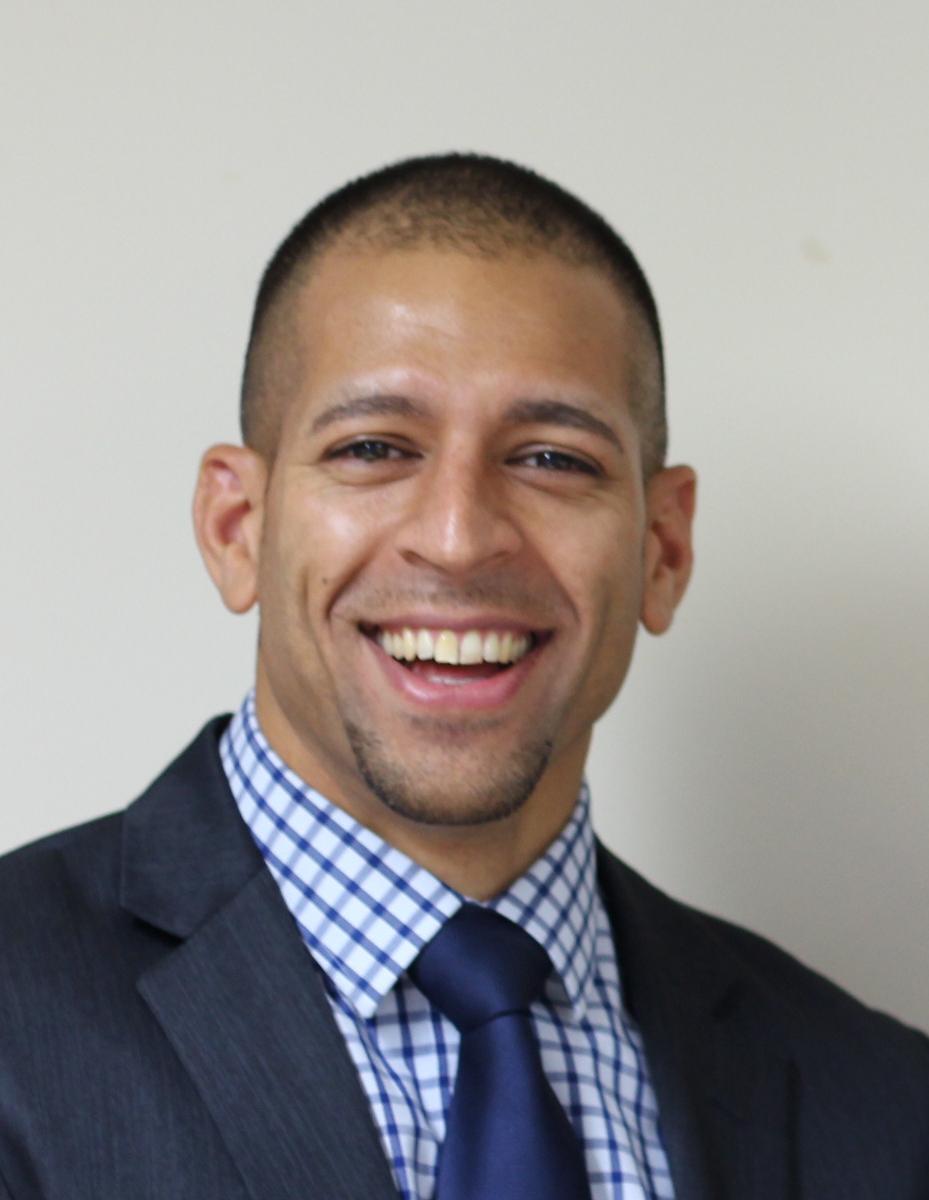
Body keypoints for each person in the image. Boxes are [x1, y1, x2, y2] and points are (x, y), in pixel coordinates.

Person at [0, 154, 927, 1200]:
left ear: (661, 550)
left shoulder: (886, 1114)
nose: (457, 538)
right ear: (236, 528)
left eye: (551, 460)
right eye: (373, 447)